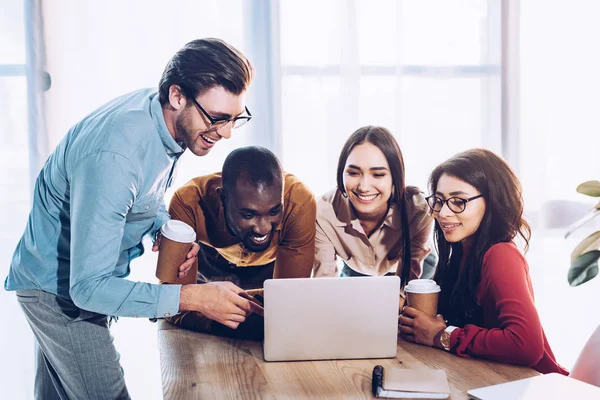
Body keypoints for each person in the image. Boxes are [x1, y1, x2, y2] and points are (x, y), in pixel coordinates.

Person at [4, 38, 258, 399]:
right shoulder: (116, 156)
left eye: (236, 119)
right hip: (60, 293)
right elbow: (88, 288)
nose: (227, 133)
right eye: (217, 119)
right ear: (177, 96)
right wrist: (192, 298)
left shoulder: (162, 120)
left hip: (65, 282)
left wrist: (159, 224)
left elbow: (140, 190)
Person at [398, 148, 568, 375]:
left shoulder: (501, 254)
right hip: (485, 379)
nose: (444, 212)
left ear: (492, 201)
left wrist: (443, 336)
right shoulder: (458, 253)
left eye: (458, 201)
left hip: (532, 386)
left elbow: (527, 345)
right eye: (439, 201)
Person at [164, 146, 316, 340]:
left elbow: (292, 299)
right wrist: (212, 313)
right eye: (248, 214)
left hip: (270, 269)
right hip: (211, 267)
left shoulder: (299, 201)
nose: (263, 228)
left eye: (273, 212)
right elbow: (172, 301)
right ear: (222, 199)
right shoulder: (188, 202)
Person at [313, 125, 434, 305]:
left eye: (378, 174)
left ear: (395, 177)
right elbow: (324, 285)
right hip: (356, 268)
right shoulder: (322, 210)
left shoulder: (418, 210)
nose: (364, 186)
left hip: (415, 265)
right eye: (353, 173)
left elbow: (406, 288)